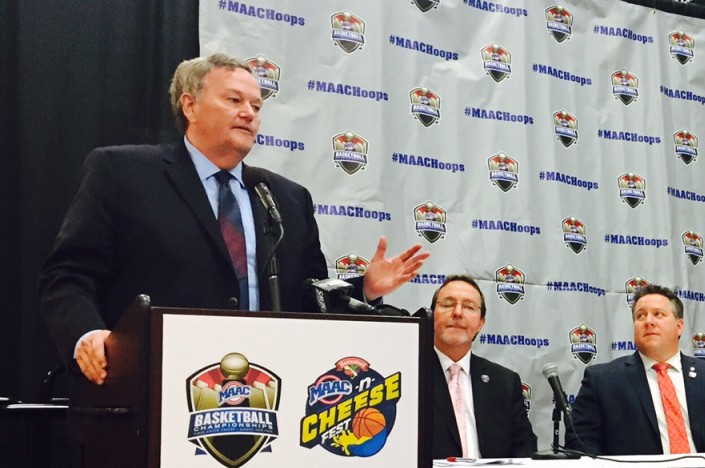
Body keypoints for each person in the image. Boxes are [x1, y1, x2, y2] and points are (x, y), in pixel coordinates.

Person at [39, 53, 428, 385]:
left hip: (267, 389)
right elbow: (68, 276)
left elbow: (309, 300)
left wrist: (366, 289)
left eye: (257, 106)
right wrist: (88, 334)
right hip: (153, 386)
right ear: (190, 106)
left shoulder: (286, 198)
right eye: (234, 100)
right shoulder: (122, 173)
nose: (249, 113)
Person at [567, 284, 705, 455]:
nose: (648, 321)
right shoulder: (603, 380)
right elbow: (581, 443)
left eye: (658, 314)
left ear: (679, 326)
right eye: (640, 316)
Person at [429, 275, 537, 459]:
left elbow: (525, 448)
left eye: (469, 307)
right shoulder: (412, 373)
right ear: (432, 316)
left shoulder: (505, 382)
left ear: (480, 323)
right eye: (447, 305)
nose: (457, 313)